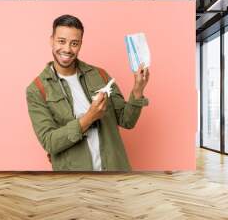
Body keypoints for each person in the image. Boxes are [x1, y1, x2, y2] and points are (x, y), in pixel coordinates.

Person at [26, 14, 150, 171]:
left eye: (74, 43)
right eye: (61, 41)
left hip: (115, 175)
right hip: (75, 184)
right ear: (51, 40)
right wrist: (89, 117)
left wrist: (138, 89)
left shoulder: (101, 75)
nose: (67, 49)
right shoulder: (37, 89)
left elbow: (127, 121)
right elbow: (50, 142)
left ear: (80, 45)